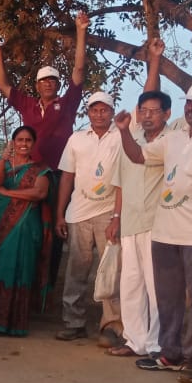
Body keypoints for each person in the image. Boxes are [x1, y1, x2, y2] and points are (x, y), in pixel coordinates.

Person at [116, 82, 192, 383]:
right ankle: (170, 353)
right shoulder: (174, 138)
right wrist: (124, 131)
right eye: (188, 102)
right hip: (164, 231)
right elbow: (138, 156)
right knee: (167, 297)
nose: (191, 108)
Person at [105, 38, 192, 357]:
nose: (148, 116)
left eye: (155, 111)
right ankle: (134, 341)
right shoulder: (131, 138)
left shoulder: (174, 137)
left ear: (167, 114)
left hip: (157, 225)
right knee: (130, 285)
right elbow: (121, 182)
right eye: (143, 111)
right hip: (130, 223)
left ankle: (157, 344)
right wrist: (116, 217)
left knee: (157, 288)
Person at [0, 11, 89, 288]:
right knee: (27, 228)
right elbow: (3, 84)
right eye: (43, 80)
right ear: (36, 85)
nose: (48, 83)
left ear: (58, 85)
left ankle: (47, 290)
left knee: (54, 230)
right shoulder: (27, 104)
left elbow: (78, 71)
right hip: (29, 174)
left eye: (52, 80)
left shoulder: (67, 103)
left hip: (59, 176)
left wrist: (81, 32)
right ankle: (24, 285)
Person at [55, 92, 123, 345]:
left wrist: (117, 217)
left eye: (104, 110)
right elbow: (67, 177)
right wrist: (60, 214)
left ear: (112, 112)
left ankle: (112, 326)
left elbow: (124, 180)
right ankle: (73, 323)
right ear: (88, 112)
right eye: (94, 110)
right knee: (76, 269)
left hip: (108, 213)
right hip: (78, 213)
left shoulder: (121, 137)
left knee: (111, 270)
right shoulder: (77, 139)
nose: (99, 114)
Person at [0, 126, 52, 336]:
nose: (24, 144)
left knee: (20, 268)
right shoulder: (3, 164)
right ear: (14, 142)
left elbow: (39, 193)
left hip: (27, 226)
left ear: (33, 143)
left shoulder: (40, 169)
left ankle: (13, 324)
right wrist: (2, 159)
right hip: (2, 224)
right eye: (20, 140)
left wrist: (9, 193)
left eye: (28, 140)